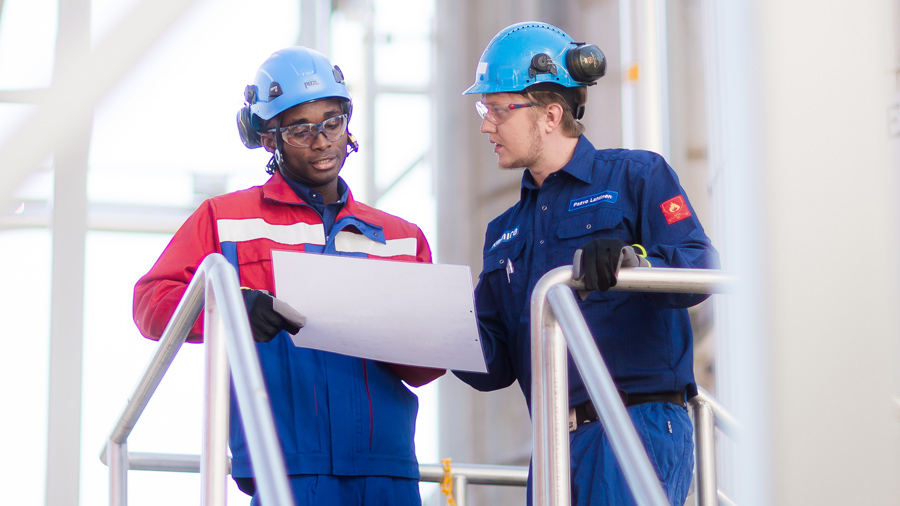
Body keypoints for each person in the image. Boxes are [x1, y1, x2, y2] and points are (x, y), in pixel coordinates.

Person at [133, 46, 444, 506]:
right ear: (267, 139)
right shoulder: (225, 219)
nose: (322, 141)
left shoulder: (401, 238)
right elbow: (152, 303)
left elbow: (426, 366)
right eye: (300, 129)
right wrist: (230, 308)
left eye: (332, 122)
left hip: (388, 471)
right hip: (287, 468)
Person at [452, 22, 720, 506]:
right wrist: (436, 332)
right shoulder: (503, 233)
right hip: (555, 443)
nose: (485, 125)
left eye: (496, 110)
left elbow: (698, 266)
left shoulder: (636, 176)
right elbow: (492, 367)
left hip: (634, 426)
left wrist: (631, 260)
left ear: (550, 114)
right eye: (483, 109)